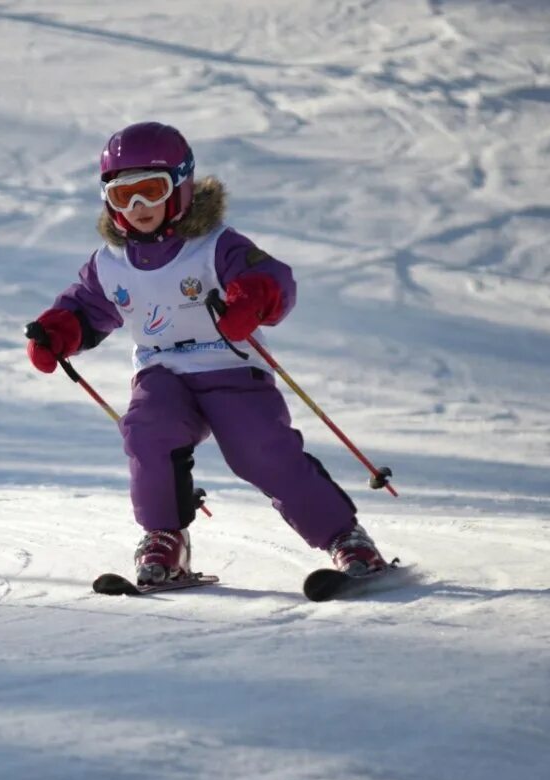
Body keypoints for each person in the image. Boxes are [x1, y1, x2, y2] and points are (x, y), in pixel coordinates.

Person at [26, 121, 388, 586]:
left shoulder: (215, 245)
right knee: (147, 429)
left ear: (181, 186)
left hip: (229, 365)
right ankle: (164, 540)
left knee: (257, 448)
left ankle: (346, 538)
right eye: (123, 196)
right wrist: (57, 333)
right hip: (162, 370)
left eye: (150, 192)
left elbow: (273, 279)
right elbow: (84, 308)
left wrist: (251, 301)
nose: (138, 208)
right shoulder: (110, 263)